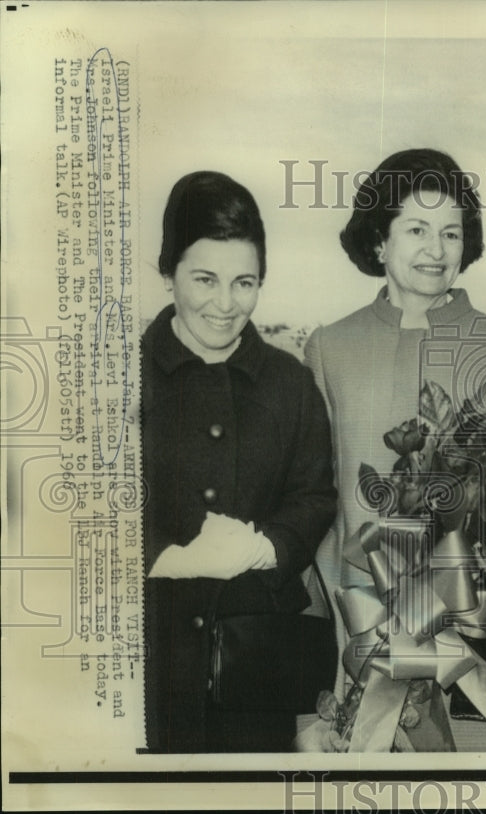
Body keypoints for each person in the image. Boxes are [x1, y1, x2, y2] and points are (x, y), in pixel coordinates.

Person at [305, 148, 486, 751]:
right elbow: (322, 504)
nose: (436, 248)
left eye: (451, 232)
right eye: (416, 229)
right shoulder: (329, 349)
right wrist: (356, 622)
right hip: (365, 640)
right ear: (379, 242)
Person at [142, 171, 337, 752]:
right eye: (205, 279)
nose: (225, 305)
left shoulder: (291, 384)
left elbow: (314, 496)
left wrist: (270, 548)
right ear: (168, 270)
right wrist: (165, 558)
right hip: (148, 666)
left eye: (244, 282)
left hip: (257, 675)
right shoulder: (119, 377)